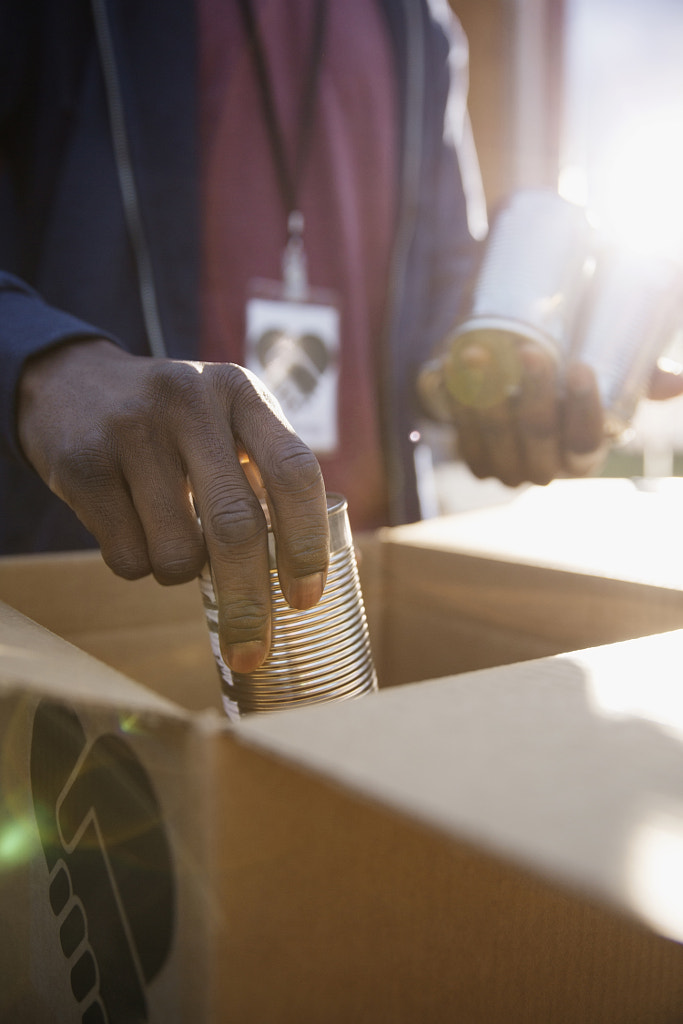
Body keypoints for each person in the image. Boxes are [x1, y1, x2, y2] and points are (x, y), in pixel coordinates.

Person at [1, 0, 679, 671]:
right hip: (98, 613)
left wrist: (503, 385)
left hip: (364, 608)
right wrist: (38, 365)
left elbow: (431, 319)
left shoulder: (419, 26)